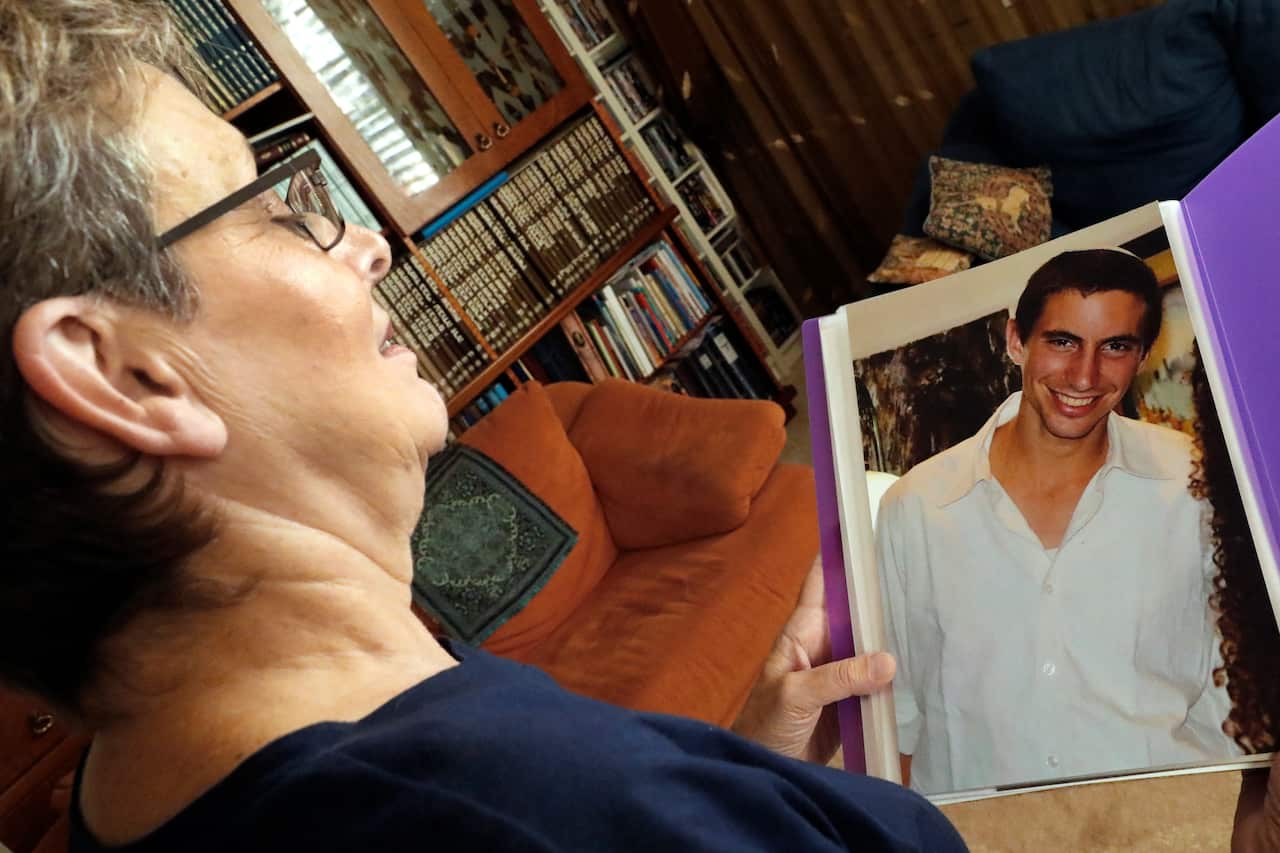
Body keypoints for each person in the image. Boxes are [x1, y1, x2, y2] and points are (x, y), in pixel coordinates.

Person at [0, 2, 967, 850]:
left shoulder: (134, 796)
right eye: (279, 210)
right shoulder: (542, 806)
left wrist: (756, 793)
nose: (370, 246)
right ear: (126, 375)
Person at [876, 248, 1239, 795]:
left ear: (1142, 356)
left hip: (1162, 811)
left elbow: (1232, 662)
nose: (1084, 374)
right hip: (982, 829)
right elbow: (894, 713)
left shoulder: (1197, 482)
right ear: (1016, 340)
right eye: (1063, 341)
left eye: (1114, 347)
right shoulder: (917, 507)